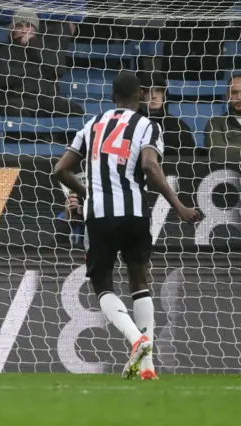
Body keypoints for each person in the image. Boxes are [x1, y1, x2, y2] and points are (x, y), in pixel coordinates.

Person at [53, 71, 200, 380]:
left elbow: (60, 170)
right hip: (134, 213)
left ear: (111, 97)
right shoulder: (148, 125)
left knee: (102, 283)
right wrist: (179, 205)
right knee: (139, 276)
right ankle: (147, 366)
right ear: (141, 96)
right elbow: (149, 165)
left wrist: (88, 193)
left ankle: (137, 340)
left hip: (100, 215)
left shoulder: (92, 125)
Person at [0, 9, 84, 118]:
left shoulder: (46, 49)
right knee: (13, 109)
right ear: (13, 29)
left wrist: (33, 46)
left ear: (35, 29)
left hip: (46, 100)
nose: (24, 30)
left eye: (29, 26)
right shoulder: (3, 51)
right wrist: (38, 71)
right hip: (18, 99)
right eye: (20, 26)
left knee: (76, 110)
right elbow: (4, 79)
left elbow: (58, 70)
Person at [139, 73, 196, 157]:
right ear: (140, 95)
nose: (154, 96)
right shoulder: (133, 124)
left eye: (158, 90)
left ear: (164, 94)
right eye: (148, 91)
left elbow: (190, 160)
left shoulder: (179, 127)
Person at [205, 74, 241, 160]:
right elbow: (218, 152)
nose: (239, 97)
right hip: (228, 172)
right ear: (227, 96)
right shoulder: (215, 123)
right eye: (234, 92)